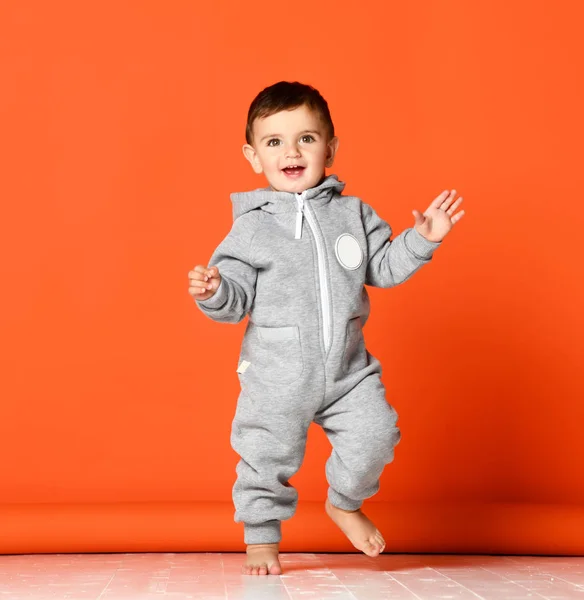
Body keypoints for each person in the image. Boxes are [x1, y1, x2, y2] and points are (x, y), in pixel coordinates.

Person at [188, 81, 465, 576]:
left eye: (307, 139)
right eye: (274, 142)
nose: (291, 152)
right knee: (263, 454)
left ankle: (345, 501)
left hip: (348, 370)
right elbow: (235, 300)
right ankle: (262, 538)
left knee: (377, 434)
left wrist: (421, 240)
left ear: (330, 148)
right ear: (253, 157)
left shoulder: (353, 214)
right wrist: (214, 291)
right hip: (277, 376)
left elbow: (381, 266)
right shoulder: (252, 227)